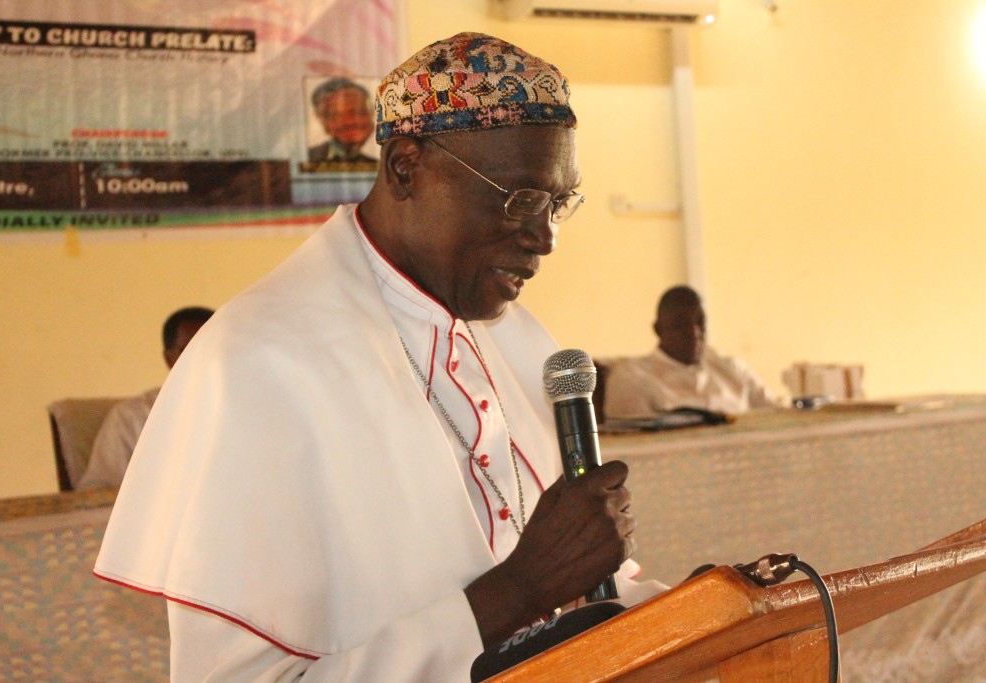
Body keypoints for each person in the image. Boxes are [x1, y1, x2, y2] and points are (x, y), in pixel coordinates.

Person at [95, 33, 665, 681]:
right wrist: (519, 590)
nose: (546, 237)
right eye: (520, 200)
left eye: (559, 202)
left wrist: (717, 603)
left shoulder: (512, 335)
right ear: (405, 168)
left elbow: (584, 604)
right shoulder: (258, 365)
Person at [76, 306, 213, 490]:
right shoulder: (131, 418)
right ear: (169, 359)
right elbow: (96, 494)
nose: (204, 358)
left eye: (213, 348)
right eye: (189, 350)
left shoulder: (248, 410)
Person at [604, 285, 780, 419]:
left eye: (700, 322)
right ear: (658, 329)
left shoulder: (733, 370)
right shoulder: (631, 378)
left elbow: (778, 415)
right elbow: (636, 444)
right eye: (681, 324)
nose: (694, 332)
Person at [307, 77, 377, 164]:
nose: (349, 121)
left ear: (372, 113)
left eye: (359, 112)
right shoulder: (307, 159)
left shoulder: (382, 163)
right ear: (321, 119)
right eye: (335, 115)